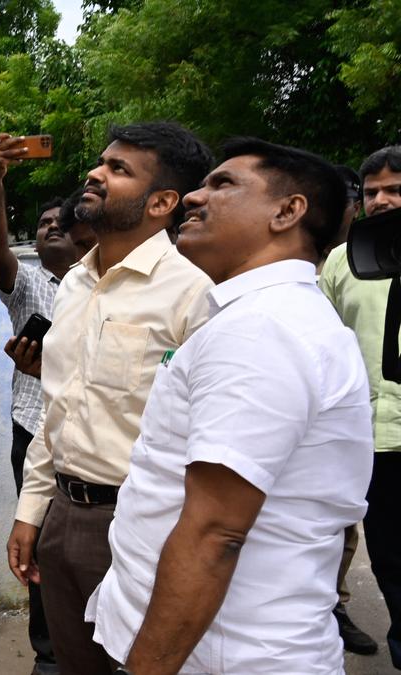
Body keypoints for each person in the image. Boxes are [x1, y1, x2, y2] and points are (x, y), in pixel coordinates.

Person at [90, 138, 372, 673]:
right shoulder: (256, 317)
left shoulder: (262, 329)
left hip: (225, 655)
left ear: (288, 212)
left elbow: (215, 533)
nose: (194, 197)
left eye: (223, 184)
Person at [6, 122, 214, 674]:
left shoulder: (195, 290)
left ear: (163, 201)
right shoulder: (74, 283)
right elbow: (58, 412)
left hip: (143, 526)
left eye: (119, 170)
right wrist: (32, 511)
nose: (95, 174)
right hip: (63, 518)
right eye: (102, 162)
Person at [0, 133, 88, 675]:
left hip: (98, 441)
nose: (49, 228)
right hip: (36, 434)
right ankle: (48, 655)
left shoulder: (105, 287)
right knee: (42, 549)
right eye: (41, 224)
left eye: (58, 223)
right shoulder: (27, 286)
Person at [320, 144, 401, 667]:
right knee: (393, 559)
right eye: (372, 192)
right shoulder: (338, 261)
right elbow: (320, 344)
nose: (381, 200)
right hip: (376, 440)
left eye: (394, 189)